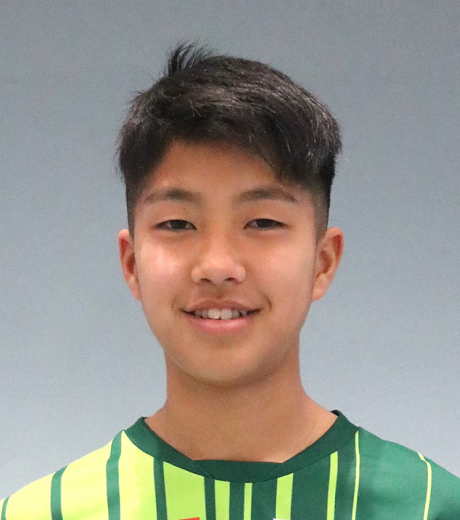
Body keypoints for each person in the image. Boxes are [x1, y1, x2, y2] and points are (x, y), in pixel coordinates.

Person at [1, 43, 459, 520]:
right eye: (178, 224)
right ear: (132, 263)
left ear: (323, 262)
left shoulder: (430, 506)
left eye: (262, 222)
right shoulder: (42, 513)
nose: (217, 265)